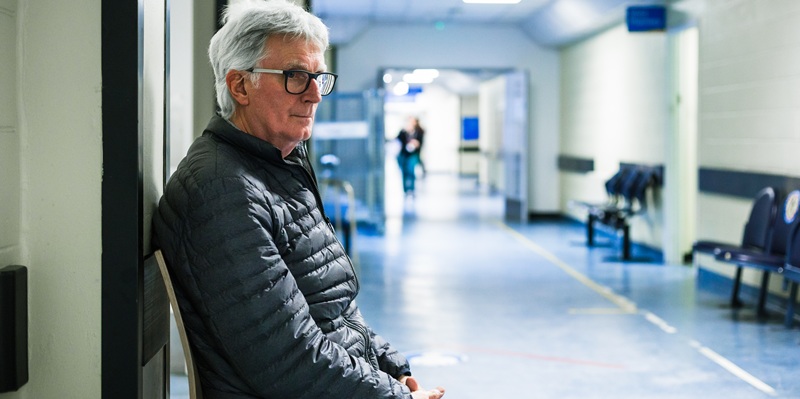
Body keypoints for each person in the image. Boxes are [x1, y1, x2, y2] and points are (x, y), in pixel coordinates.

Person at [152, 1, 446, 398]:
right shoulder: (222, 190)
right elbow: (289, 360)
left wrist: (393, 368)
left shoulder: (278, 168)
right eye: (295, 76)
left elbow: (335, 309)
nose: (314, 95)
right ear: (240, 85)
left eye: (318, 78)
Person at [396, 116, 425, 196]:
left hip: (413, 154)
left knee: (411, 170)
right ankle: (405, 189)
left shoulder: (419, 132)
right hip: (403, 154)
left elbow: (421, 142)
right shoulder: (403, 132)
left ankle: (412, 189)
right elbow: (398, 141)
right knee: (404, 172)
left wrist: (416, 143)